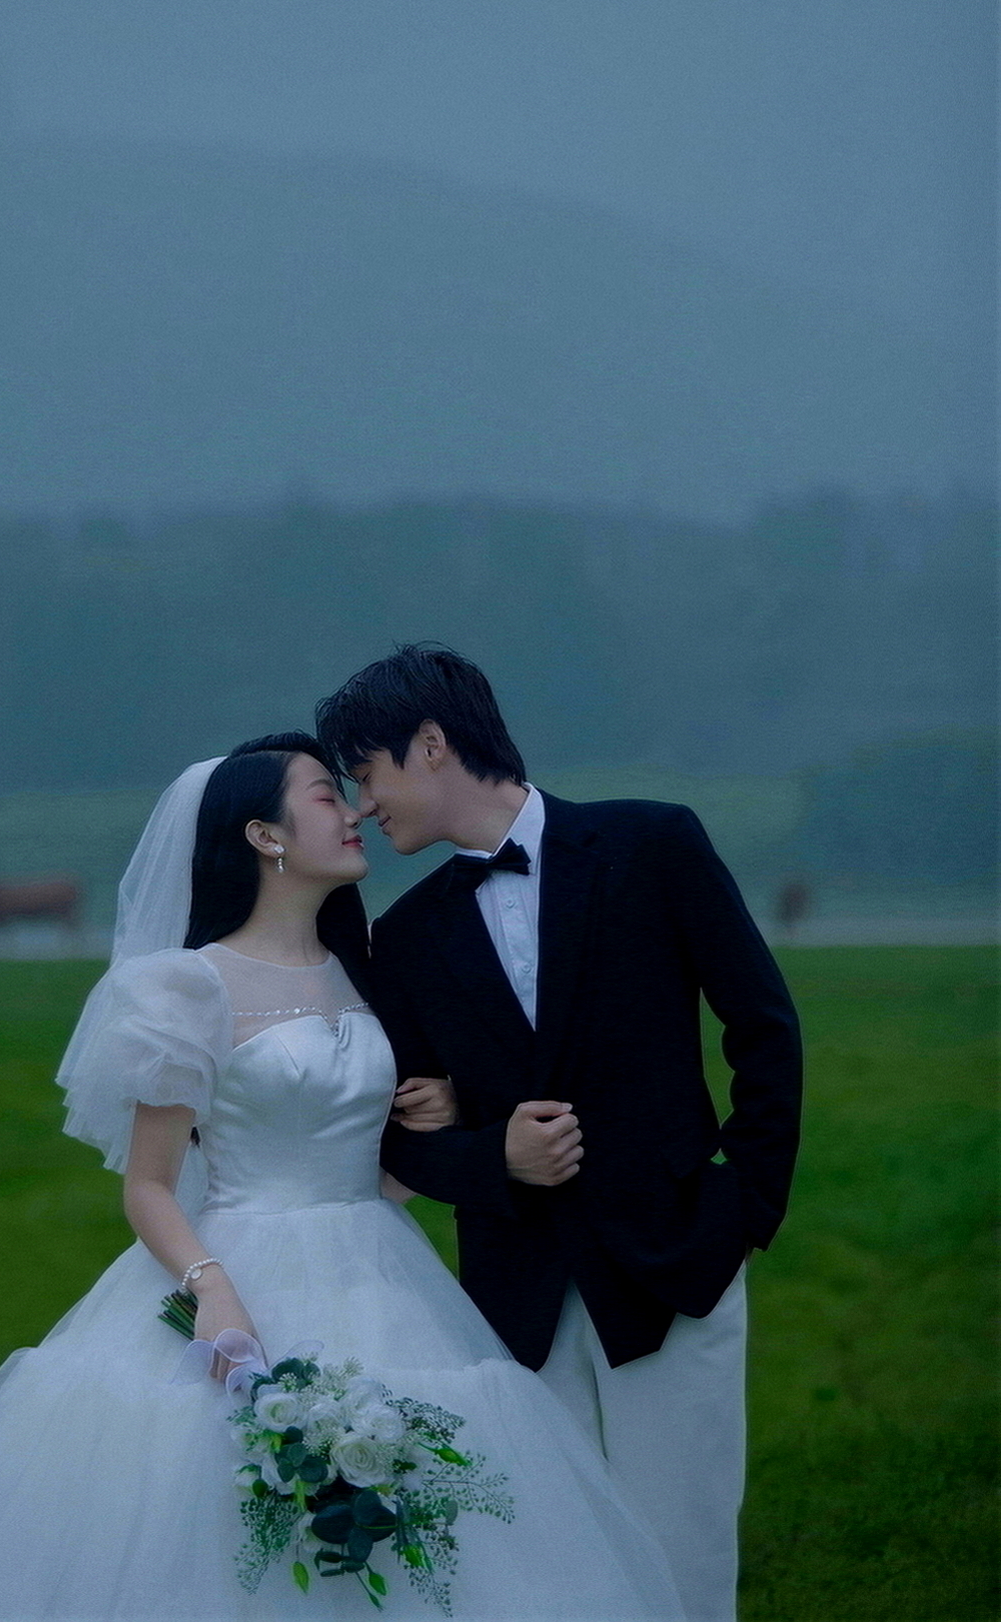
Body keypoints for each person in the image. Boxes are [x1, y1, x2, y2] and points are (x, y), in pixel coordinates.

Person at [0, 732, 682, 1622]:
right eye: (327, 794)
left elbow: (370, 1167)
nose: (356, 810)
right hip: (239, 1263)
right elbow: (149, 1185)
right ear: (263, 835)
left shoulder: (369, 969)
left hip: (383, 1267)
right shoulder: (186, 986)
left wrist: (433, 1123)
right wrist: (213, 1291)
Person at [315, 650, 803, 1622]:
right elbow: (396, 1140)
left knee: (684, 1556)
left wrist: (742, 1206)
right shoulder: (404, 938)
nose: (363, 805)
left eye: (366, 773)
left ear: (431, 744)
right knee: (554, 1575)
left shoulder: (651, 843)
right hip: (516, 1297)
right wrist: (491, 1156)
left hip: (676, 1261)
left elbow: (762, 1027)